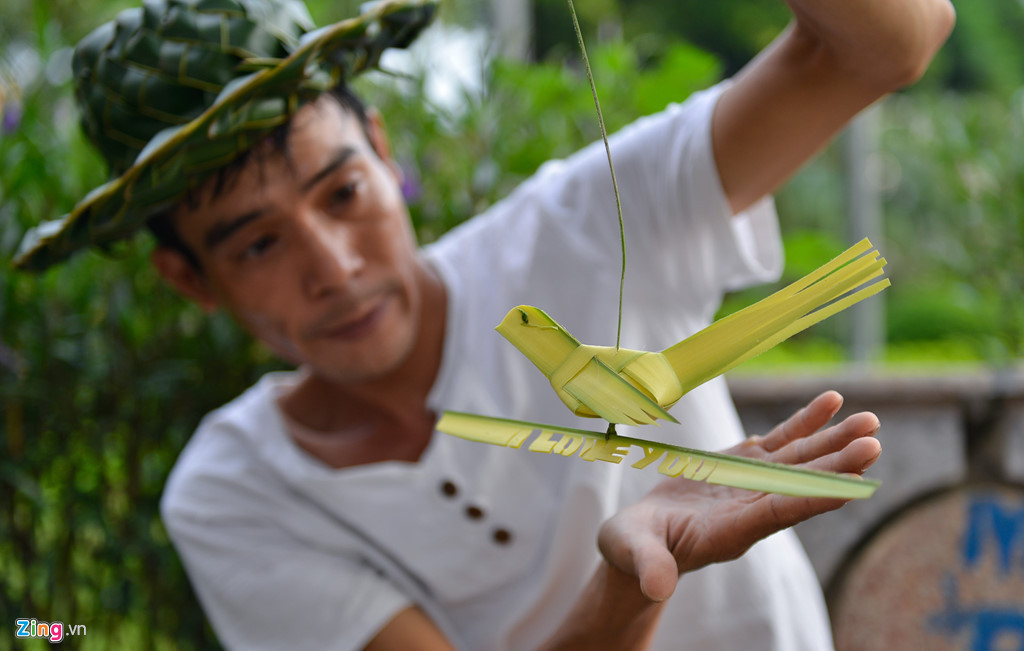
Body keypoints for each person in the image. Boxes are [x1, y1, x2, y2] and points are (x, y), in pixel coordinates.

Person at [13, 0, 954, 648]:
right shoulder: (235, 490)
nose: (334, 268)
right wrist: (633, 575)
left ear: (382, 151)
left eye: (342, 192)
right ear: (188, 276)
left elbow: (895, 43)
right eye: (258, 245)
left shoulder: (583, 223)